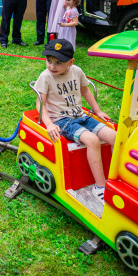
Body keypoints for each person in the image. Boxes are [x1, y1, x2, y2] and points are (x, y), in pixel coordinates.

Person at [34, 39, 115, 204]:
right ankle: (100, 186)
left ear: (71, 62)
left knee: (114, 136)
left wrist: (97, 111)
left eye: (58, 62)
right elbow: (40, 102)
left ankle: (115, 178)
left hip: (81, 115)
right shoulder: (46, 76)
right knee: (92, 140)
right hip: (62, 120)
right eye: (49, 61)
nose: (52, 66)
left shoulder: (77, 71)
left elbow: (85, 89)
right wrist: (49, 124)